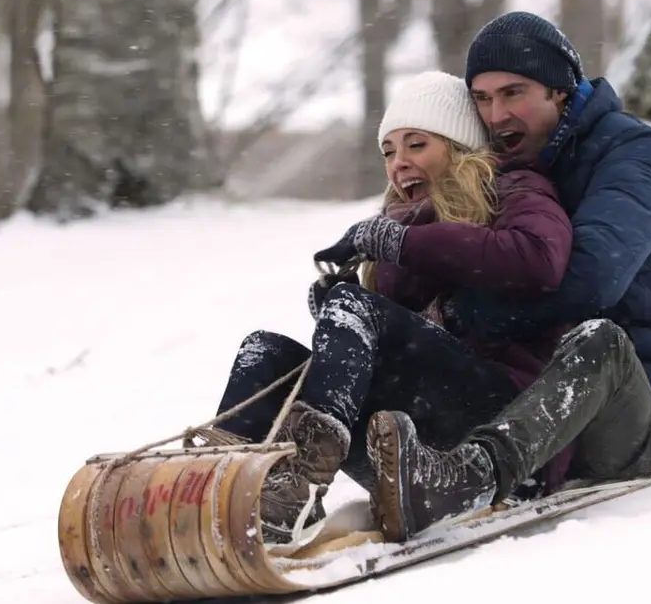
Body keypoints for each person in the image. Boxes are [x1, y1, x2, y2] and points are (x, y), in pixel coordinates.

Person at [365, 11, 651, 543]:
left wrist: (457, 314)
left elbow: (590, 284)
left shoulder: (634, 154)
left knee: (601, 341)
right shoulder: (508, 171)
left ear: (561, 93)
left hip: (627, 418)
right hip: (527, 404)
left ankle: (471, 479)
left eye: (513, 92)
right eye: (481, 97)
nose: (496, 114)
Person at [208, 70, 575, 544]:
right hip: (407, 442)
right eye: (389, 151)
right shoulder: (397, 223)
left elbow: (538, 258)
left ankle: (301, 477)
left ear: (459, 145)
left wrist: (394, 256)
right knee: (265, 352)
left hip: (503, 430)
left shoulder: (514, 190)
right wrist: (339, 310)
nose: (399, 163)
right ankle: (221, 484)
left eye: (416, 145)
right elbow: (402, 343)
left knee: (353, 308)